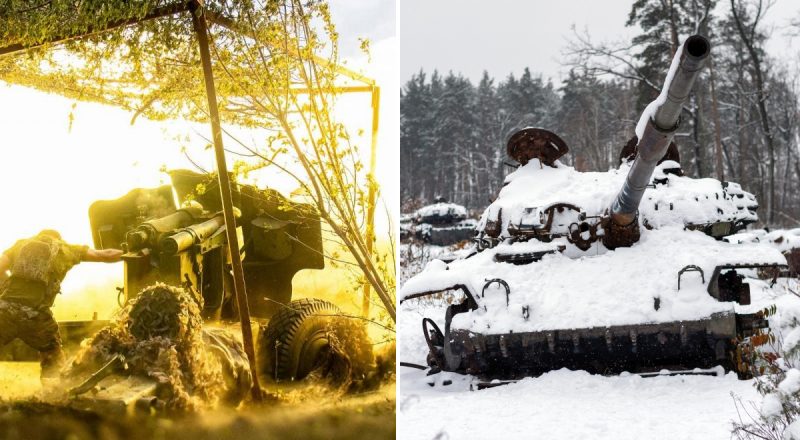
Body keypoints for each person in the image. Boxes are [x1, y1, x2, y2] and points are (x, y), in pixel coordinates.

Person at [0, 229, 122, 378]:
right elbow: (105, 255)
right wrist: (131, 251)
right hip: (36, 316)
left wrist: (7, 290)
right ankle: (51, 395)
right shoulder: (66, 248)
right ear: (59, 238)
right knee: (52, 354)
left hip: (4, 309)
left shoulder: (20, 245)